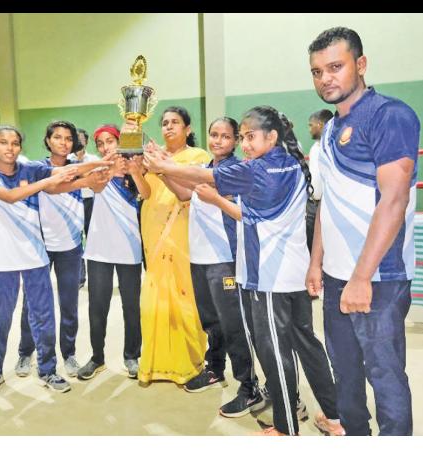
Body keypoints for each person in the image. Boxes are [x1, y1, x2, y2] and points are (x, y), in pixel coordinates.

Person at [144, 106, 342, 437]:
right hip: (291, 273)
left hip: (267, 276)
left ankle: (286, 426)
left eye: (250, 137)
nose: (245, 144)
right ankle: (335, 418)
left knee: (274, 351)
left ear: (272, 137)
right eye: (244, 138)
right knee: (307, 343)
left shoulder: (256, 170)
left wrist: (163, 165)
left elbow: (207, 179)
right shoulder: (292, 165)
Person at [305, 27, 420, 436]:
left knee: (384, 375)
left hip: (379, 278)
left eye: (335, 67)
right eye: (317, 71)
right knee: (347, 377)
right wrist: (316, 261)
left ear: (361, 65)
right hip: (337, 277)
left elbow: (394, 201)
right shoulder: (332, 130)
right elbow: (328, 202)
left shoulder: (391, 115)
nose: (325, 79)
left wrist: (361, 277)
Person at [0, 125, 111, 396]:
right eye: (4, 143)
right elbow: (10, 197)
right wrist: (47, 183)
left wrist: (102, 165)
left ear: (20, 147)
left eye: (15, 143)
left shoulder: (29, 170)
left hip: (35, 256)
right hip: (2, 260)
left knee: (44, 317)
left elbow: (63, 173)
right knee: (1, 319)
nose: (10, 148)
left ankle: (47, 370)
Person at [153, 116, 268, 418]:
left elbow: (201, 185)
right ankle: (215, 368)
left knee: (233, 325)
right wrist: (161, 172)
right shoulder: (205, 169)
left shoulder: (233, 170)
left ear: (235, 141)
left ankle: (249, 385)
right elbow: (183, 193)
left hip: (224, 260)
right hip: (200, 258)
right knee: (211, 321)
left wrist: (167, 165)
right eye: (214, 135)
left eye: (225, 136)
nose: (218, 141)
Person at [133, 106, 211, 386]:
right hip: (153, 229)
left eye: (175, 122)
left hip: (182, 229)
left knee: (184, 296)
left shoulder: (198, 157)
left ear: (188, 129)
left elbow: (192, 192)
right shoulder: (152, 159)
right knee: (154, 298)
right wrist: (136, 172)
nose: (168, 127)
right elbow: (146, 193)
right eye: (164, 123)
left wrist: (163, 164)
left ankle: (188, 363)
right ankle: (155, 365)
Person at [15, 120, 94, 378]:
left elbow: (96, 178)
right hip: (39, 245)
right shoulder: (36, 167)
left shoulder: (79, 169)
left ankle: (69, 353)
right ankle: (26, 352)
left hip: (70, 246)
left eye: (68, 138)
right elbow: (51, 186)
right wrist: (83, 177)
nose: (63, 142)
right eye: (57, 137)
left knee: (69, 303)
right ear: (48, 140)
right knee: (32, 303)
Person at [76, 124, 145, 381]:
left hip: (129, 249)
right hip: (98, 250)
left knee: (131, 307)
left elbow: (146, 192)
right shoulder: (97, 169)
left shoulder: (137, 169)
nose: (106, 147)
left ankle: (132, 355)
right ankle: (97, 357)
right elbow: (92, 187)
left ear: (121, 141)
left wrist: (133, 169)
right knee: (97, 306)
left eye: (110, 141)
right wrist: (108, 167)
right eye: (101, 143)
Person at [69, 128, 101, 288]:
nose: (79, 142)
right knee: (75, 238)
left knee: (93, 238)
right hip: (72, 202)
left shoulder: (94, 159)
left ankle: (95, 277)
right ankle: (79, 277)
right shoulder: (67, 160)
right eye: (76, 139)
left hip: (90, 202)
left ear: (86, 141)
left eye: (81, 139)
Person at [306, 109, 333, 253]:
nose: (309, 129)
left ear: (320, 124)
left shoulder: (332, 147)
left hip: (327, 205)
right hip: (312, 204)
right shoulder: (314, 148)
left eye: (311, 125)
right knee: (311, 245)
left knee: (327, 247)